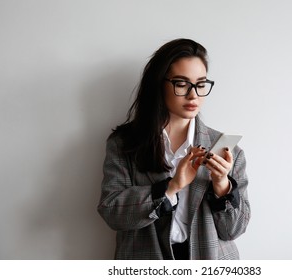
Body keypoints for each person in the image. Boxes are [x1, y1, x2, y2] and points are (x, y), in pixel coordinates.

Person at [97, 38, 250, 260]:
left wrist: (222, 186)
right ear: (159, 84)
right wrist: (171, 187)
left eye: (200, 84)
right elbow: (112, 212)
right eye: (181, 83)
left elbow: (233, 230)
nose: (193, 95)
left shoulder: (227, 150)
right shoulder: (124, 144)